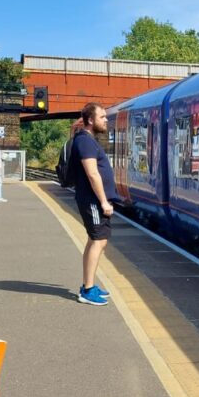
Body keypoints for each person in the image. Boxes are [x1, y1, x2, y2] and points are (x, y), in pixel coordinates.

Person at [71, 102, 120, 305]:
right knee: (98, 241)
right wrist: (103, 201)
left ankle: (88, 284)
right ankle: (87, 290)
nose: (106, 120)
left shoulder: (88, 140)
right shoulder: (85, 141)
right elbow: (92, 173)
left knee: (97, 240)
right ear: (91, 120)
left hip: (94, 200)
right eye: (102, 117)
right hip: (92, 200)